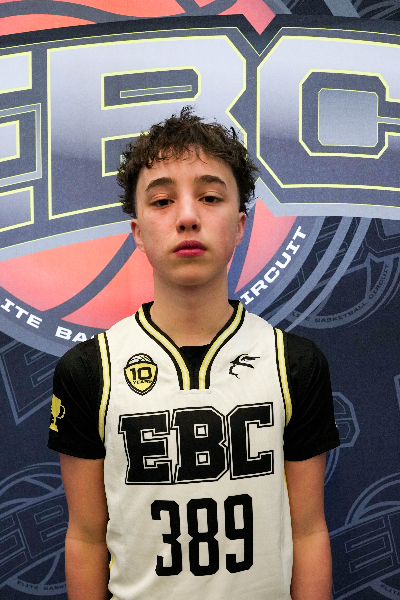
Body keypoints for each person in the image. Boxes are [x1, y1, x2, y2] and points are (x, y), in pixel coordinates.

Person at [48, 107, 340, 600]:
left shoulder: (293, 364)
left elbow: (308, 530)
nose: (187, 217)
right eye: (162, 201)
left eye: (209, 197)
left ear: (240, 225)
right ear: (137, 232)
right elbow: (85, 538)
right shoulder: (89, 371)